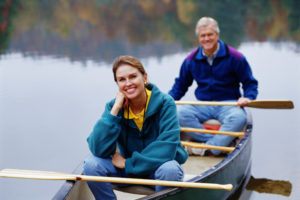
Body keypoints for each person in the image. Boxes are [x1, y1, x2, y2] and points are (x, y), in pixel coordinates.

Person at [83, 55, 188, 200]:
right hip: (126, 170)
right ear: (117, 84)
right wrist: (115, 111)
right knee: (91, 165)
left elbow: (167, 149)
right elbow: (98, 149)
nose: (128, 83)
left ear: (144, 77)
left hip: (156, 168)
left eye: (133, 77)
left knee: (170, 169)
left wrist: (128, 163)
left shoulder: (165, 103)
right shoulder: (113, 106)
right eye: (122, 79)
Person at [168, 17, 258, 156]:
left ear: (217, 35)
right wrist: (166, 101)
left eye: (210, 35)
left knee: (239, 118)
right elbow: (180, 85)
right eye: (202, 35)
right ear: (198, 38)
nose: (206, 39)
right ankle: (215, 145)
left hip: (229, 104)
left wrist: (248, 97)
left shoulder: (235, 57)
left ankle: (208, 148)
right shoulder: (191, 60)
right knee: (178, 114)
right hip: (203, 104)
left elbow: (250, 83)